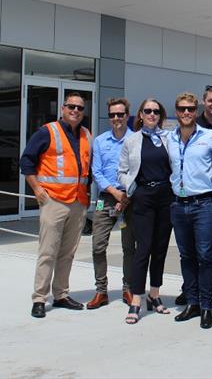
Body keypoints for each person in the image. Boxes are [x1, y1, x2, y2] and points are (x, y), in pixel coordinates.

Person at [21, 92, 92, 319]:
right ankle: (40, 298)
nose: (75, 111)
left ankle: (61, 294)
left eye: (80, 108)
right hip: (54, 201)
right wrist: (37, 189)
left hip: (78, 202)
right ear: (62, 108)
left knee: (67, 253)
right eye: (71, 106)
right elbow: (26, 161)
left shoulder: (86, 135)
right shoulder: (47, 131)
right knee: (48, 251)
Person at [168, 92, 212, 329]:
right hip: (178, 205)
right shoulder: (168, 138)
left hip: (203, 204)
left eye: (191, 109)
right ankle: (191, 303)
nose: (186, 113)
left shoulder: (210, 137)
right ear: (177, 111)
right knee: (186, 256)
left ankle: (205, 306)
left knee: (205, 256)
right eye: (182, 109)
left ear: (196, 110)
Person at [118, 98, 174, 324]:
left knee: (160, 249)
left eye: (156, 111)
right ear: (140, 114)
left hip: (166, 196)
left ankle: (155, 294)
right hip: (143, 197)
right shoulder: (131, 140)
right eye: (147, 111)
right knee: (143, 249)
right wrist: (130, 186)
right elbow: (121, 170)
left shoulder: (168, 138)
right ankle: (136, 299)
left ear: (161, 115)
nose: (152, 114)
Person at [88, 97, 135, 309]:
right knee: (98, 246)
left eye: (120, 114)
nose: (116, 118)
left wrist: (125, 196)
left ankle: (128, 288)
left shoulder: (136, 139)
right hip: (105, 199)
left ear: (127, 116)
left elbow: (138, 172)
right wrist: (114, 193)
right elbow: (96, 171)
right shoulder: (100, 141)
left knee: (129, 248)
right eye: (112, 115)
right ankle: (101, 291)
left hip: (130, 199)